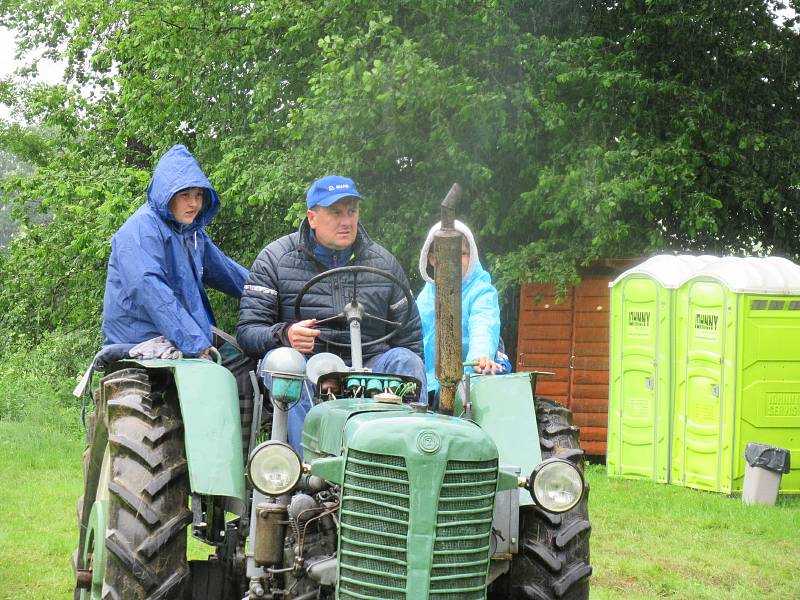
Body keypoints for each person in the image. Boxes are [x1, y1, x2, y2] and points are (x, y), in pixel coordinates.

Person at [237, 175, 426, 453]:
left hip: (371, 363)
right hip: (309, 365)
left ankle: (402, 465)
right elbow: (248, 332)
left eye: (352, 211)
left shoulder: (384, 264)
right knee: (286, 363)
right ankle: (313, 472)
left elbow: (410, 338)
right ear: (312, 218)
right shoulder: (275, 259)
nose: (347, 221)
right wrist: (285, 334)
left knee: (406, 361)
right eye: (336, 213)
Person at [102, 143, 249, 356]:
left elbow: (229, 273)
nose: (194, 204)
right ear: (166, 194)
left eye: (199, 195)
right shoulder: (141, 230)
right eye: (185, 195)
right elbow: (151, 292)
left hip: (183, 333)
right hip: (143, 338)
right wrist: (196, 344)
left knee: (249, 361)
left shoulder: (191, 233)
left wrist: (270, 292)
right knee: (223, 375)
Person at [416, 220, 511, 400]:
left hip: (477, 369)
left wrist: (480, 356)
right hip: (435, 377)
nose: (455, 260)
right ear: (432, 259)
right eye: (447, 253)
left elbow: (484, 322)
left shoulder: (481, 291)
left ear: (472, 257)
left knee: (485, 385)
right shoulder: (425, 298)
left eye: (463, 253)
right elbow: (416, 337)